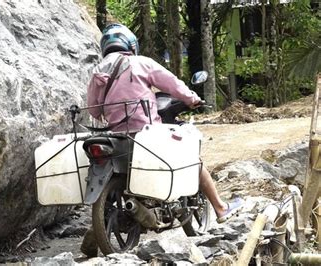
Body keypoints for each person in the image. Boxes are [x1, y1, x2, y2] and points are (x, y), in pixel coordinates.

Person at [81, 23, 243, 256]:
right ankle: (220, 208)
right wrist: (192, 98)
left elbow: (95, 112)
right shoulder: (141, 63)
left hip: (114, 135)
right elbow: (171, 83)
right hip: (146, 131)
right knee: (192, 160)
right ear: (130, 44)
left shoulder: (98, 71)